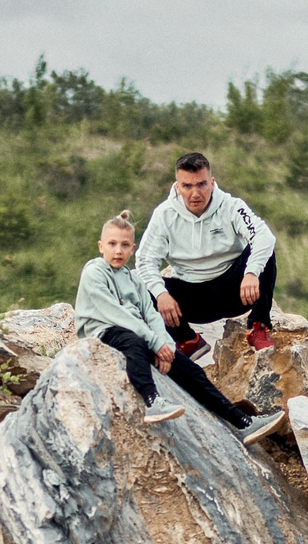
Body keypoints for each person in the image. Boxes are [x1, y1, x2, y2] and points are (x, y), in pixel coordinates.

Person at [74, 210, 284, 442]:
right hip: (104, 331)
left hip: (137, 332)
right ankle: (151, 400)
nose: (118, 250)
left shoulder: (133, 279)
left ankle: (241, 422)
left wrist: (164, 344)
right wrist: (154, 342)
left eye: (124, 245)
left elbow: (150, 314)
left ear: (132, 249)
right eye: (112, 244)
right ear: (101, 246)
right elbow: (117, 314)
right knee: (133, 342)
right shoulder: (94, 272)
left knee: (189, 369)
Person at [137, 152, 281, 360]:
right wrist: (161, 294)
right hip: (190, 298)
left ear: (212, 183)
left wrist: (251, 272)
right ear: (177, 187)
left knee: (264, 252)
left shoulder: (232, 206)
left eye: (201, 184)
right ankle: (187, 341)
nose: (195, 193)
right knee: (135, 282)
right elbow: (145, 260)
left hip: (234, 291)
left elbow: (264, 236)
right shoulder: (164, 215)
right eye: (187, 186)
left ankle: (258, 328)